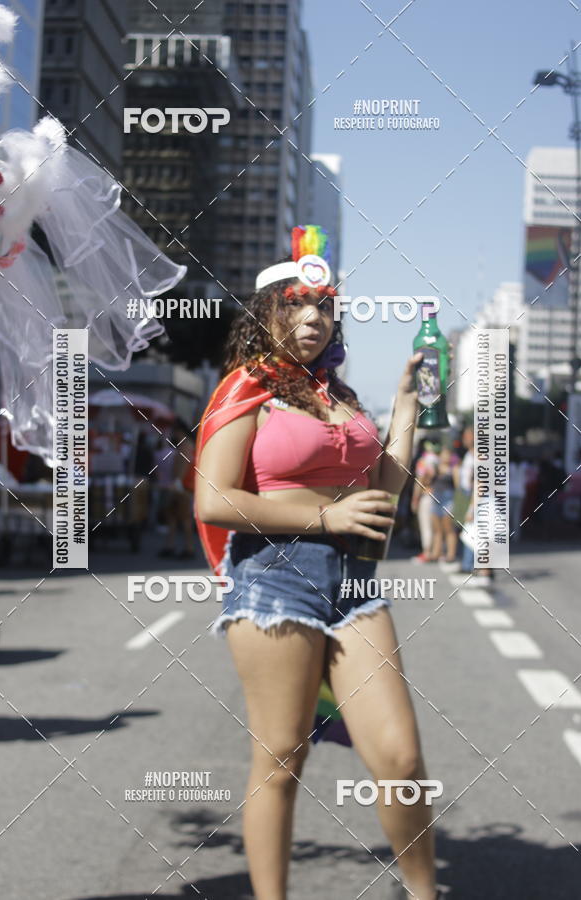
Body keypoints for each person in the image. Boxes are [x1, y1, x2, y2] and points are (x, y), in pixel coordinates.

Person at [194, 225, 442, 900]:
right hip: (274, 580)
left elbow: (382, 500)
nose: (312, 318)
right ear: (266, 313)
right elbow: (215, 499)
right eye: (295, 304)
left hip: (355, 582)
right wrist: (325, 516)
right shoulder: (248, 387)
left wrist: (407, 411)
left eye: (324, 305)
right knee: (281, 760)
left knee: (401, 759)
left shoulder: (343, 398)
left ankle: (426, 894)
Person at [158, 420, 196, 559]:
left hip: (182, 486)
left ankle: (188, 548)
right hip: (183, 485)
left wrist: (177, 483)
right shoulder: (187, 444)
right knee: (173, 516)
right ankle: (171, 545)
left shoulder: (185, 445)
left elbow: (184, 465)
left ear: (179, 431)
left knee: (183, 518)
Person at [427, 446, 459, 563]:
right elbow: (428, 481)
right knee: (436, 527)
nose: (446, 457)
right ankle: (436, 552)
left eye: (448, 455)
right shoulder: (436, 467)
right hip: (436, 497)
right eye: (444, 454)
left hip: (448, 498)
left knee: (448, 527)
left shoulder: (453, 468)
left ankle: (451, 554)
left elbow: (458, 485)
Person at [411, 440, 439, 562]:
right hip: (438, 494)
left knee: (425, 524)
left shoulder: (424, 460)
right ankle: (435, 551)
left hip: (426, 494)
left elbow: (420, 481)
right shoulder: (438, 459)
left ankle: (427, 552)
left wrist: (415, 499)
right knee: (435, 526)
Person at [508, 451, 527, 543]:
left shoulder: (510, 466)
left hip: (511, 492)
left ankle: (508, 534)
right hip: (520, 492)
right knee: (517, 516)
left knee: (508, 515)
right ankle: (516, 536)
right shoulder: (524, 466)